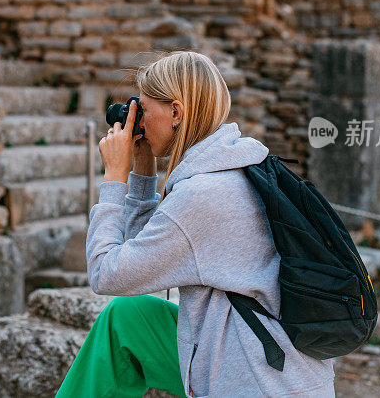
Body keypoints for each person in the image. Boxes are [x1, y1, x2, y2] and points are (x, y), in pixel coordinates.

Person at [56, 51, 335, 397]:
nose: (137, 120)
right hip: (262, 359)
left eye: (143, 110)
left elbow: (106, 273)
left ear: (175, 111)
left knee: (124, 310)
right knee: (129, 319)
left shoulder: (205, 193)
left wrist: (114, 179)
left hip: (257, 383)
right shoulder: (238, 164)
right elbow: (144, 256)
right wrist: (142, 168)